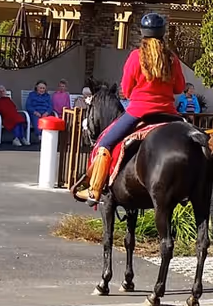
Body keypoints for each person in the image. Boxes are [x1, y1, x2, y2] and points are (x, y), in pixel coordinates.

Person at [76, 12, 187, 203]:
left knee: (104, 143)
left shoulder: (136, 57)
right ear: (162, 33)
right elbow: (179, 88)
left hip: (139, 112)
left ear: (143, 33)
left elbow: (126, 90)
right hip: (170, 114)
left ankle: (94, 190)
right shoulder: (171, 59)